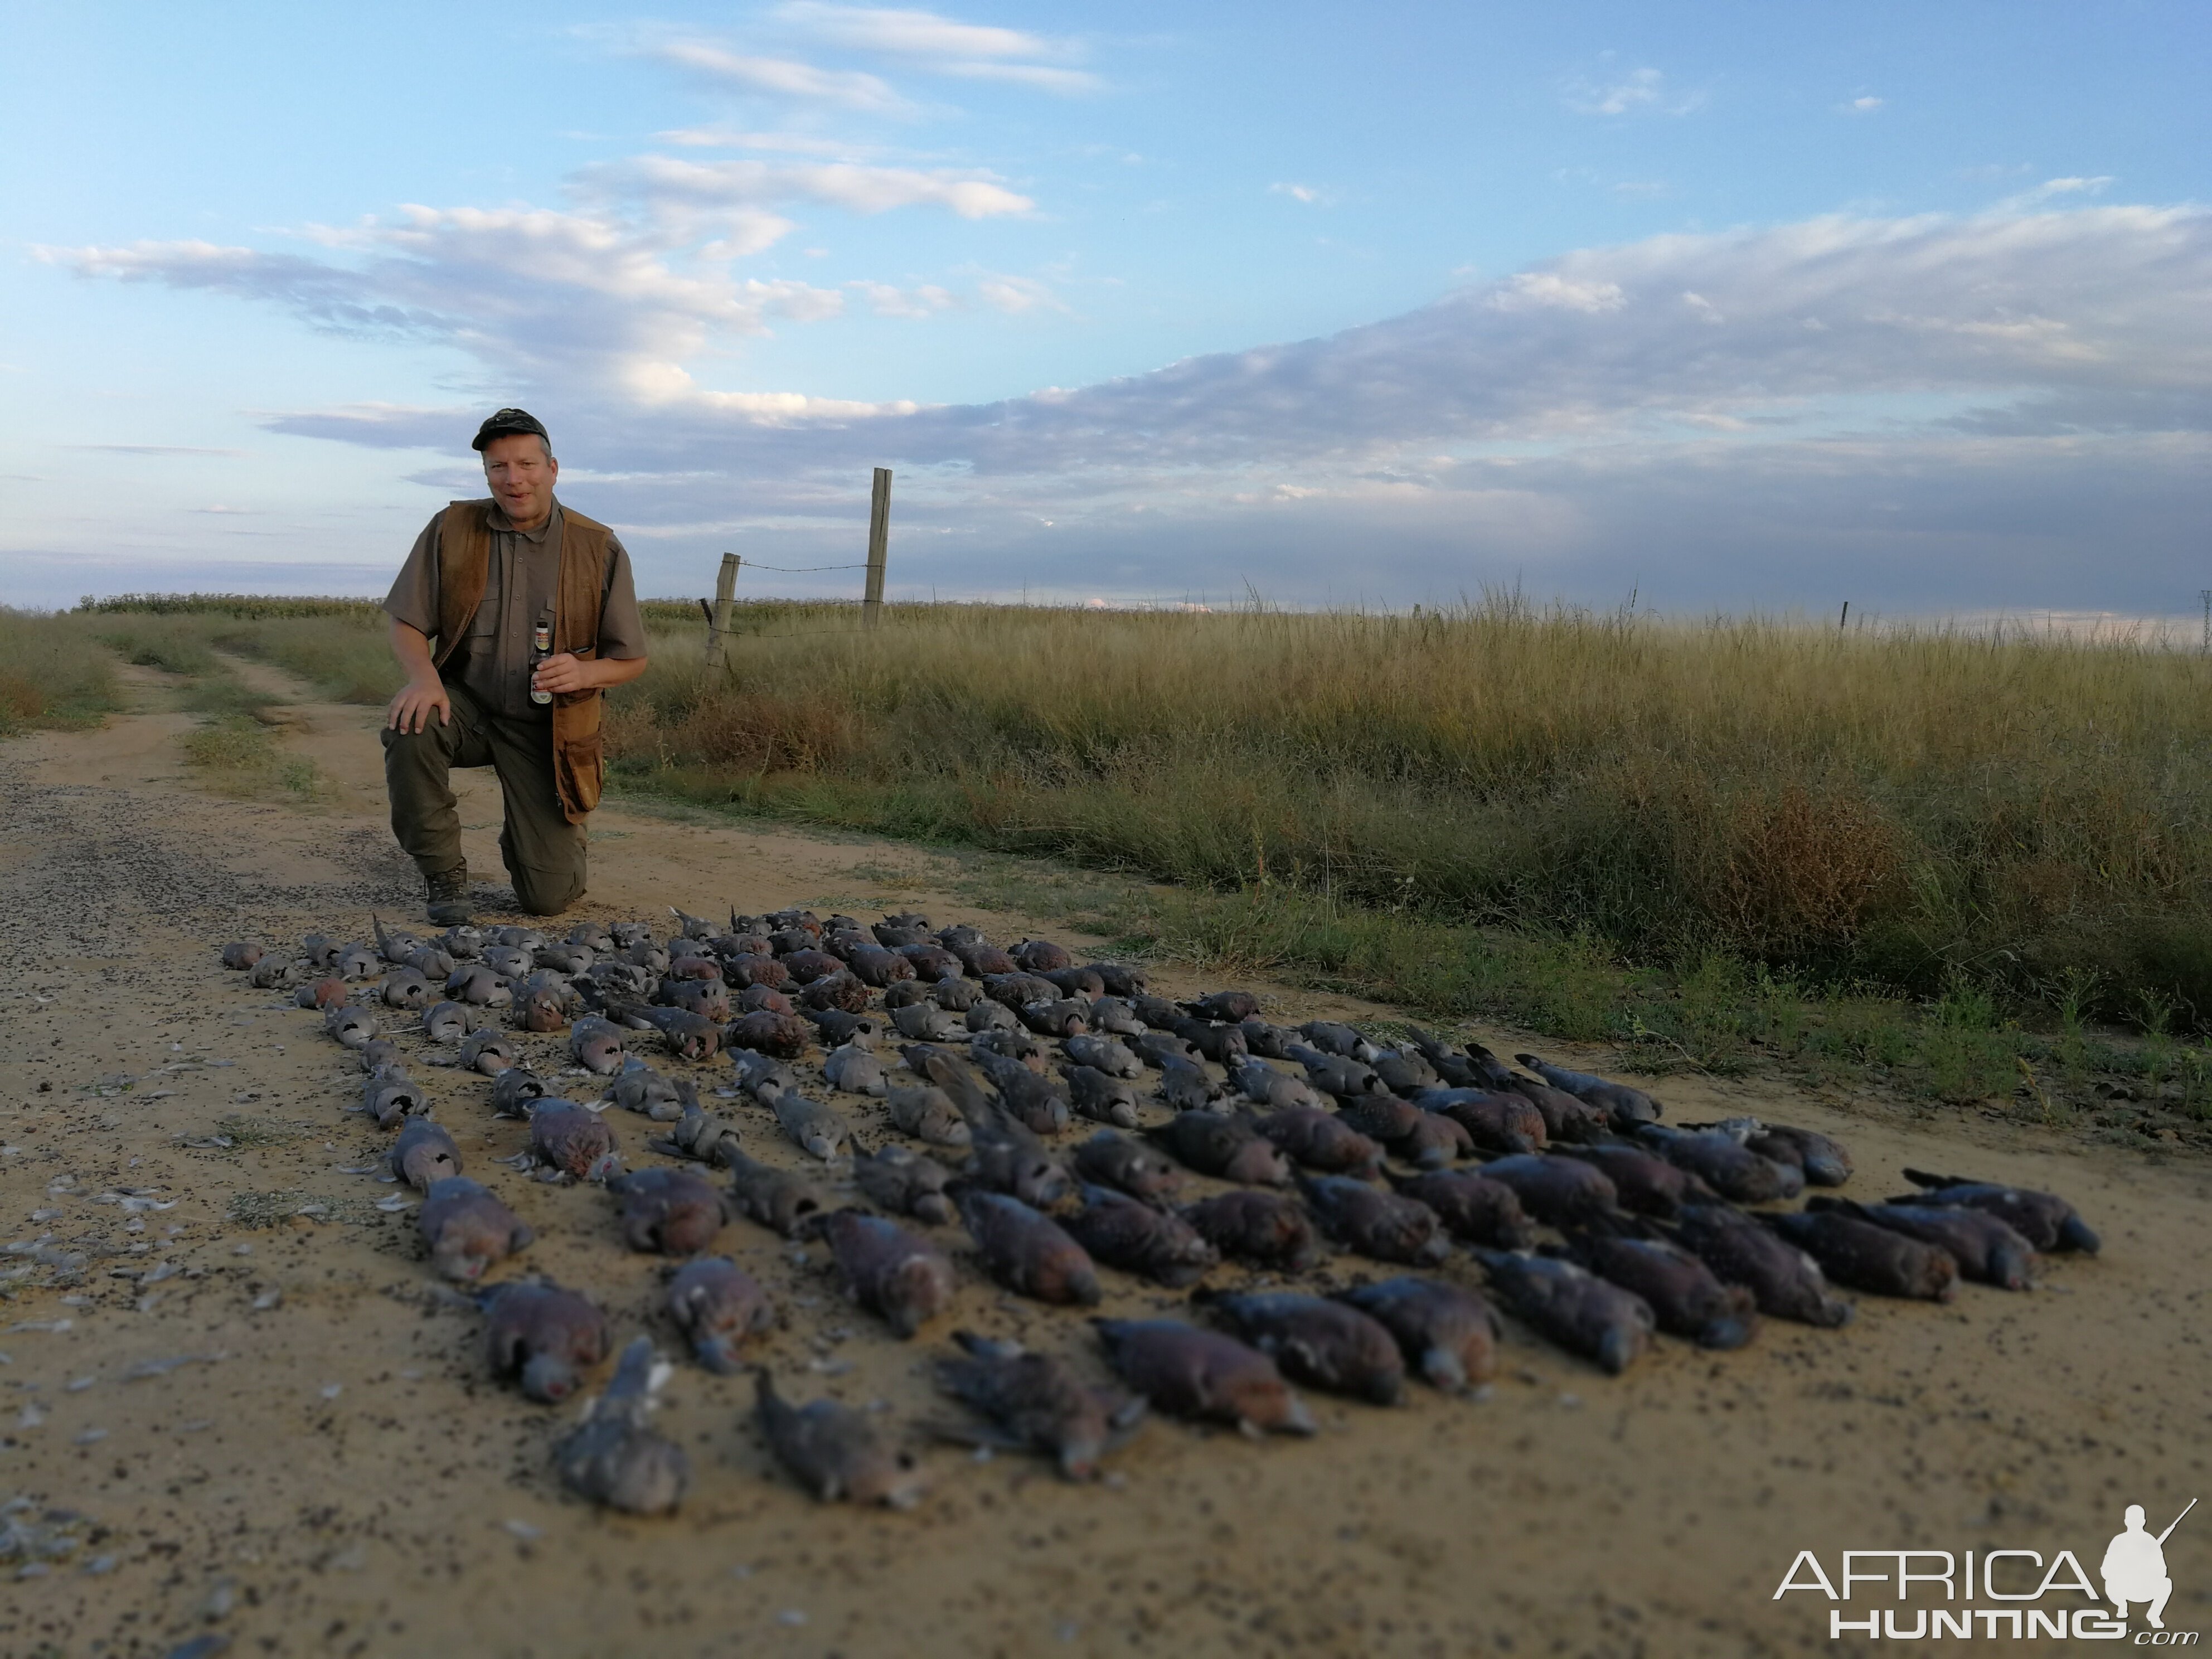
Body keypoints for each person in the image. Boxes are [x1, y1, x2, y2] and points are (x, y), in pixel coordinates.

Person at [380, 409, 649, 924]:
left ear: (552, 468)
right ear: (486, 472)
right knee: (410, 725)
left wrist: (586, 674)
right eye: (499, 466)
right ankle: (443, 875)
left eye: (526, 464)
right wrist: (423, 677)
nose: (513, 478)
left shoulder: (598, 546)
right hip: (468, 708)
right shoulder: (452, 528)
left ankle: (537, 837)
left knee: (547, 899)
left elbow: (632, 659)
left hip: (547, 728)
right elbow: (406, 622)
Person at [2101, 1503, 2175, 1629]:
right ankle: (2122, 1606)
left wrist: (2144, 1567)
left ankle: (2153, 1615)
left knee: (2166, 1583)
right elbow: (2106, 1571)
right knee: (2110, 1582)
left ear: (2126, 1522)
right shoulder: (2119, 1541)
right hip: (2123, 1589)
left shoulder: (2150, 1542)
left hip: (2144, 1590)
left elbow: (2162, 1572)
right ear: (2143, 1521)